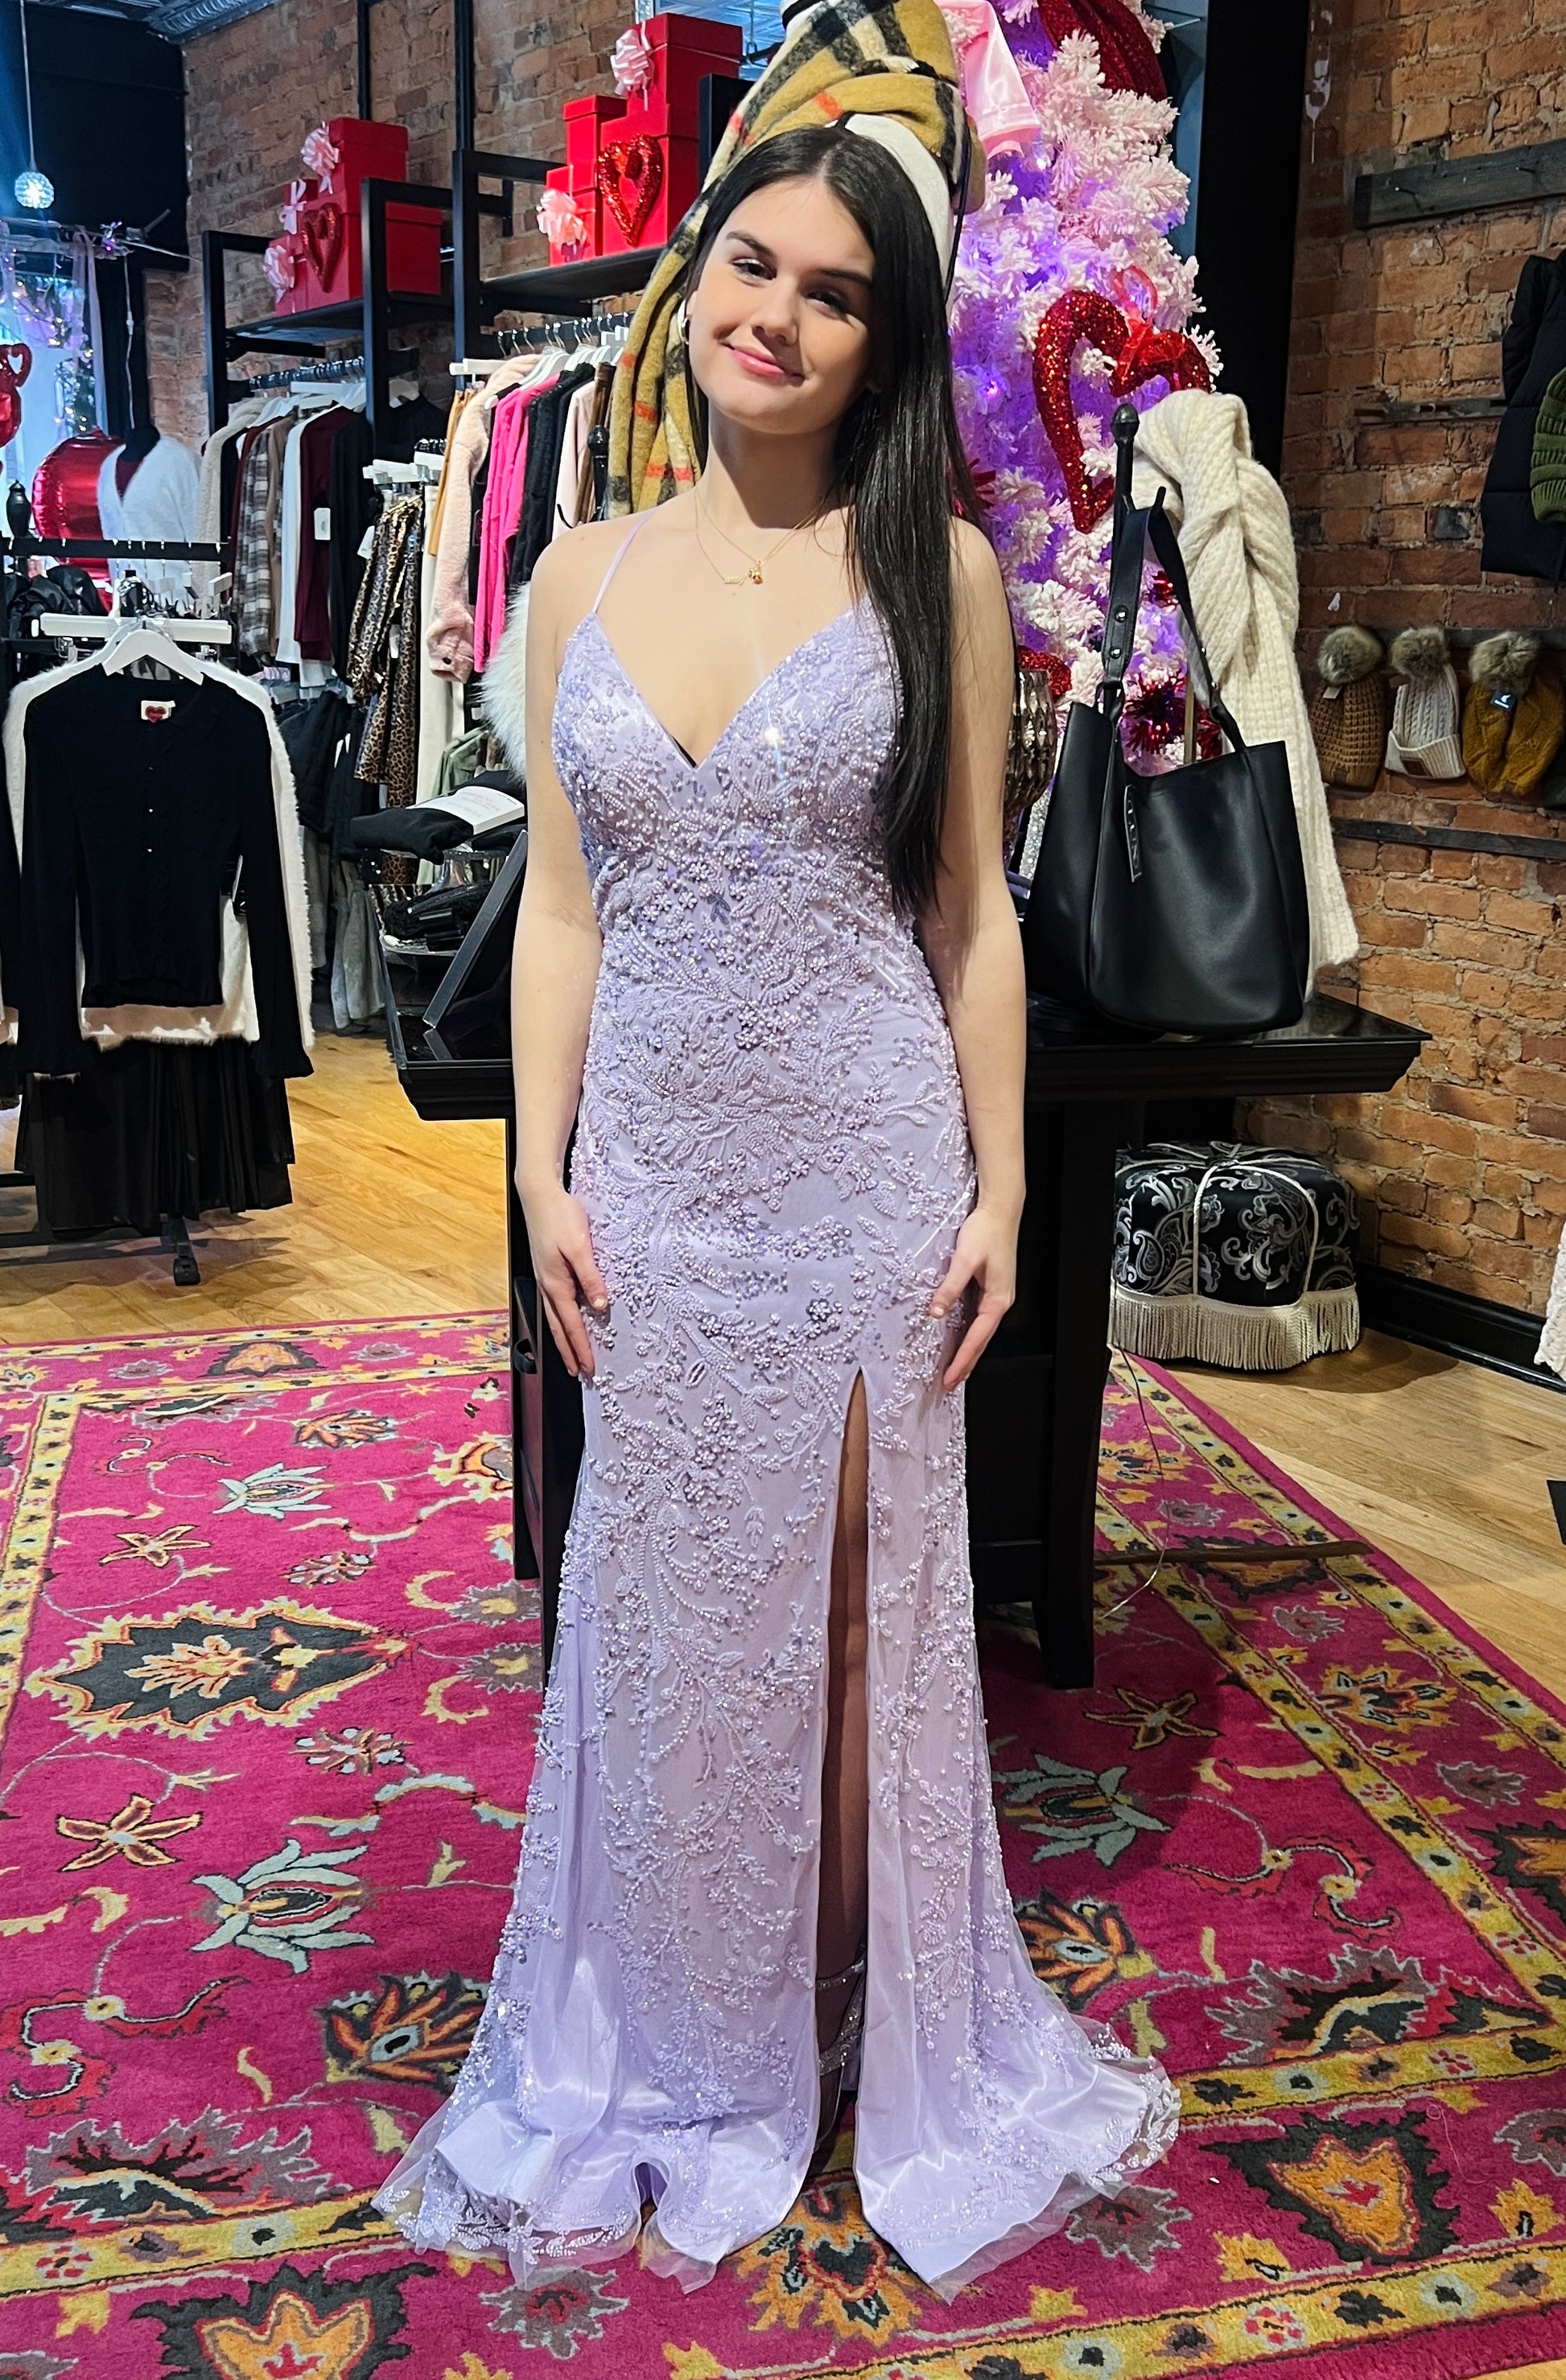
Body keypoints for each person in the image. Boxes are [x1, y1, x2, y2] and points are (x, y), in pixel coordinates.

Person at [377, 121, 1177, 2302]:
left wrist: (1008, 1182)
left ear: (883, 341)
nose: (777, 313)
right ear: (693, 283)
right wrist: (537, 1170)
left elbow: (969, 921)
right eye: (752, 264)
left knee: (844, 1615)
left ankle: (823, 2029)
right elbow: (559, 906)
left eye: (833, 291)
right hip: (650, 1166)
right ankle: (679, 2010)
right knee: (652, 1610)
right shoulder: (574, 576)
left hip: (856, 1160)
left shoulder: (947, 583)